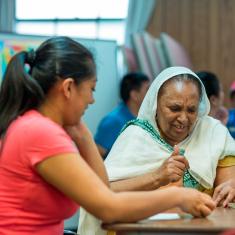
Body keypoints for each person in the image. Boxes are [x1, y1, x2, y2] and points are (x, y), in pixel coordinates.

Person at [0, 38, 215, 235]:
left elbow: (102, 188)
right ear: (68, 88)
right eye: (91, 89)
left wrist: (84, 136)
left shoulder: (40, 127)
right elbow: (108, 207)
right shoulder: (40, 132)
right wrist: (178, 196)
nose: (92, 100)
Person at [79, 66, 235, 235]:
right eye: (175, 108)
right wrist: (157, 177)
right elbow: (101, 195)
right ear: (155, 104)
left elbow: (226, 189)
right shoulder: (137, 136)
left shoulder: (212, 132)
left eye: (191, 110)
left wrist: (232, 185)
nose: (183, 118)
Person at [95, 72, 150, 158]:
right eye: (147, 89)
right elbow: (97, 155)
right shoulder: (112, 121)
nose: (152, 93)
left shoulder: (147, 118)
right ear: (134, 95)